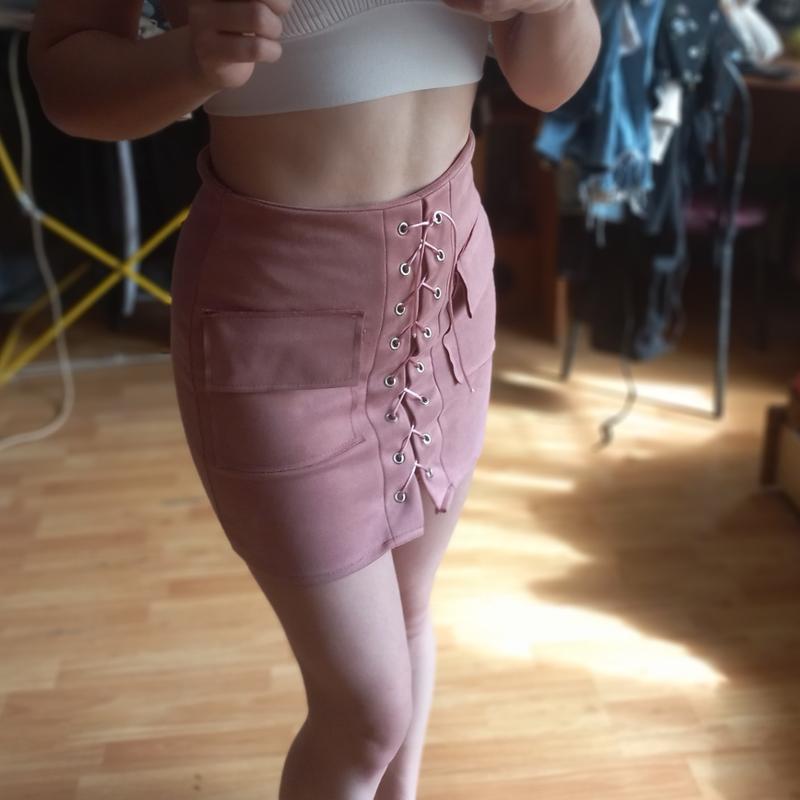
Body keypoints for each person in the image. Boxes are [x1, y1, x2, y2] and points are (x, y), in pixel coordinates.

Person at [26, 2, 600, 798]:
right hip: (278, 319)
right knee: (366, 712)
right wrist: (191, 59)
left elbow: (551, 80)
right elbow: (64, 75)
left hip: (447, 291)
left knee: (408, 612)